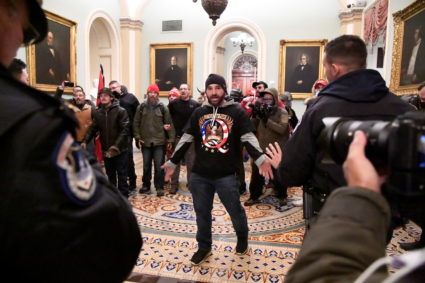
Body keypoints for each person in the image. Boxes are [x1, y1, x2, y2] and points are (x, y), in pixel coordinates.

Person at [0, 1, 142, 282]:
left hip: (119, 149)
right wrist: (72, 143)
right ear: (8, 9)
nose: (20, 40)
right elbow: (117, 239)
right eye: (24, 28)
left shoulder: (120, 108)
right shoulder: (31, 120)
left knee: (122, 175)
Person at [277, 35, 414, 222]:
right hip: (382, 212)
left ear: (334, 69)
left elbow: (292, 173)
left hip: (331, 212)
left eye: (325, 68)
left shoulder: (320, 109)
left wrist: (281, 165)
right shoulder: (403, 109)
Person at [265, 132, 425, 282]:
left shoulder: (318, 110)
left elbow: (320, 274)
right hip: (378, 221)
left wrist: (362, 190)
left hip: (335, 208)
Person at [162, 74, 274, 265]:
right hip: (200, 174)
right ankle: (204, 246)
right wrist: (173, 162)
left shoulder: (236, 112)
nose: (214, 92)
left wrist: (260, 157)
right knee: (202, 212)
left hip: (226, 174)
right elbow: (187, 138)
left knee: (235, 210)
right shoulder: (199, 112)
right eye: (210, 88)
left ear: (224, 90)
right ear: (206, 91)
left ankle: (242, 238)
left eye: (217, 88)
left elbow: (248, 137)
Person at [244, 88, 290, 207]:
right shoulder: (262, 110)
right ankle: (254, 196)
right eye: (265, 98)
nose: (267, 101)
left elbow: (282, 129)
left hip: (276, 150)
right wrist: (254, 114)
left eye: (269, 98)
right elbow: (252, 127)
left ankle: (282, 196)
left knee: (278, 174)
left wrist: (267, 120)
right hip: (262, 148)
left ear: (275, 99)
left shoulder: (283, 112)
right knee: (256, 174)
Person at [82, 88, 131, 198]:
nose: (103, 98)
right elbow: (92, 129)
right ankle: (113, 196)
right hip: (106, 150)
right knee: (110, 175)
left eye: (105, 95)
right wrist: (85, 140)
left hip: (120, 150)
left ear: (111, 97)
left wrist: (115, 147)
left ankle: (123, 196)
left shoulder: (121, 111)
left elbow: (125, 131)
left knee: (122, 174)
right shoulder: (98, 113)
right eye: (101, 96)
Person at [133, 84, 175, 197]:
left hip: (159, 142)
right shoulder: (141, 107)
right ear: (147, 94)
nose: (152, 94)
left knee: (159, 166)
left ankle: (159, 187)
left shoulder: (163, 107)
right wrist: (137, 137)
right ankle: (146, 185)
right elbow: (135, 123)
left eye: (155, 92)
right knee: (146, 166)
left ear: (158, 94)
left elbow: (169, 124)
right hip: (145, 142)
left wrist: (170, 139)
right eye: (150, 92)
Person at [168, 83, 199, 194]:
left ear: (189, 91)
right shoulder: (173, 104)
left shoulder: (195, 104)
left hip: (190, 139)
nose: (183, 91)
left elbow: (198, 121)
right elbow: (168, 118)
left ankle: (191, 183)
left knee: (191, 163)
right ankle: (174, 185)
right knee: (175, 163)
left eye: (185, 89)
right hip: (177, 138)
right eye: (181, 89)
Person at [109, 80, 140, 191]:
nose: (113, 90)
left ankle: (132, 181)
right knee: (116, 159)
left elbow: (138, 114)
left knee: (128, 158)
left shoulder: (131, 97)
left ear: (120, 87)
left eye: (114, 87)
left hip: (127, 134)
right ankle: (120, 183)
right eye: (111, 88)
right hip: (113, 135)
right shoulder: (110, 101)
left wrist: (137, 134)